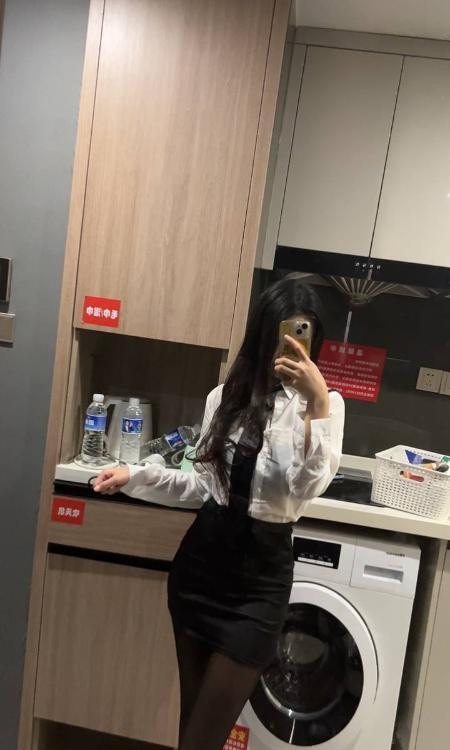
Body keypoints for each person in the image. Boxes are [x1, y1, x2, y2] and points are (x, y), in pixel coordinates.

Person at [94, 276, 345, 750]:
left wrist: (314, 405)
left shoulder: (326, 407)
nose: (289, 348)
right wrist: (136, 475)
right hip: (201, 569)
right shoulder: (223, 398)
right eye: (281, 334)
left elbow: (306, 489)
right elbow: (205, 489)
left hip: (259, 586)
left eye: (301, 336)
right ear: (262, 335)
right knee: (192, 727)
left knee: (201, 739)